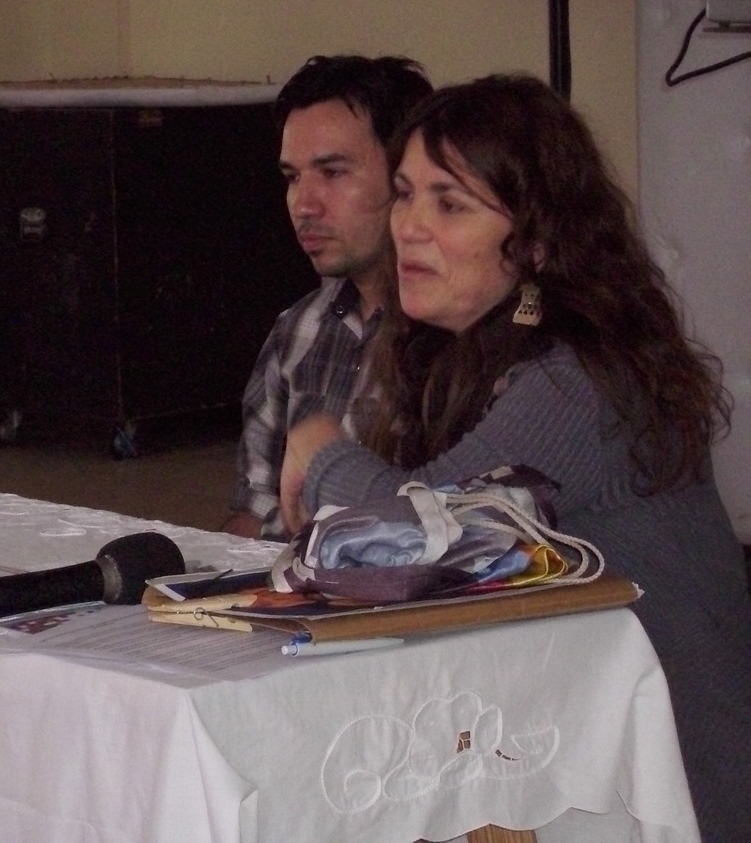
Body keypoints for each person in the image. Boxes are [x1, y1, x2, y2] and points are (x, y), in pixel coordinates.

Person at [280, 74, 751, 843]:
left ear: (535, 242)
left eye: (450, 204)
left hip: (672, 794)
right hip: (574, 758)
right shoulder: (456, 354)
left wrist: (322, 451)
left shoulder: (582, 381)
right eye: (405, 194)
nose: (409, 227)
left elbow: (426, 541)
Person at [222, 54, 432, 539]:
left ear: (408, 178)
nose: (304, 204)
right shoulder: (297, 331)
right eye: (292, 178)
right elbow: (252, 513)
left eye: (333, 172)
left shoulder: (464, 342)